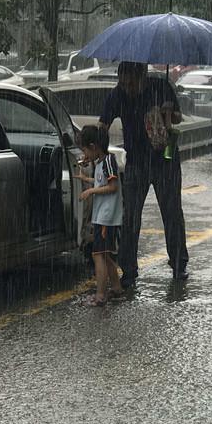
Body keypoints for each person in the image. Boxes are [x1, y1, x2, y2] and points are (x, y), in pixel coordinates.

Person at [99, 61, 189, 288]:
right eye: (123, 82)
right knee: (130, 217)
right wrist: (99, 151)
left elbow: (178, 118)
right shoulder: (117, 94)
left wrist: (168, 112)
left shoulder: (161, 86)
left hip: (165, 158)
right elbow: (103, 124)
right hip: (136, 161)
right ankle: (128, 269)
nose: (128, 87)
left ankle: (179, 265)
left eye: (132, 82)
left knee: (171, 213)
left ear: (143, 76)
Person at [75, 125, 123, 306]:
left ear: (94, 146)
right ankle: (116, 288)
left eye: (86, 149)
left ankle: (100, 295)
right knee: (106, 255)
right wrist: (87, 180)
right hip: (103, 216)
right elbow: (101, 181)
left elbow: (113, 186)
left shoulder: (109, 161)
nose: (85, 154)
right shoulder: (102, 162)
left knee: (98, 255)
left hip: (106, 217)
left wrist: (91, 191)